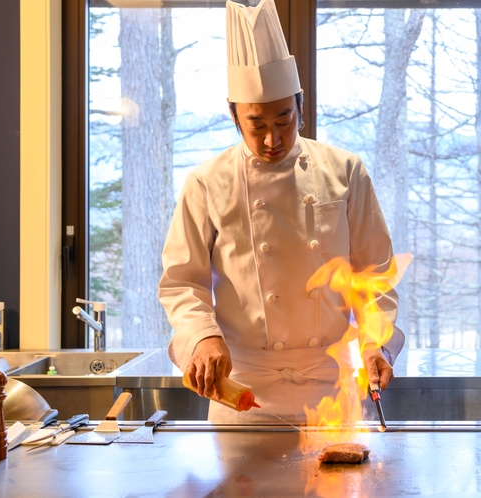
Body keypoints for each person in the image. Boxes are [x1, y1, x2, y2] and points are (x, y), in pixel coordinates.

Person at [158, 0, 403, 424]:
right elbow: (182, 282)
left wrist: (375, 343)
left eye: (284, 120)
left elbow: (374, 273)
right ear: (233, 115)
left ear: (301, 107)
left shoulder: (345, 171)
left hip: (333, 384)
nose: (272, 138)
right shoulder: (206, 181)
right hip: (243, 388)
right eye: (257, 125)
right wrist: (203, 337)